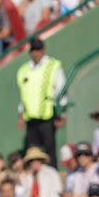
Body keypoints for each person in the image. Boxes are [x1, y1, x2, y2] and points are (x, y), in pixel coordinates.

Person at [16, 38, 65, 168]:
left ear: (43, 51)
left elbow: (61, 90)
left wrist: (62, 112)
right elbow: (23, 94)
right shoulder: (24, 69)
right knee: (32, 151)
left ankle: (52, 175)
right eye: (33, 50)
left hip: (47, 116)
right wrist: (20, 114)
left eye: (38, 50)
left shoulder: (53, 66)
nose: (36, 53)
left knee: (49, 149)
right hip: (31, 117)